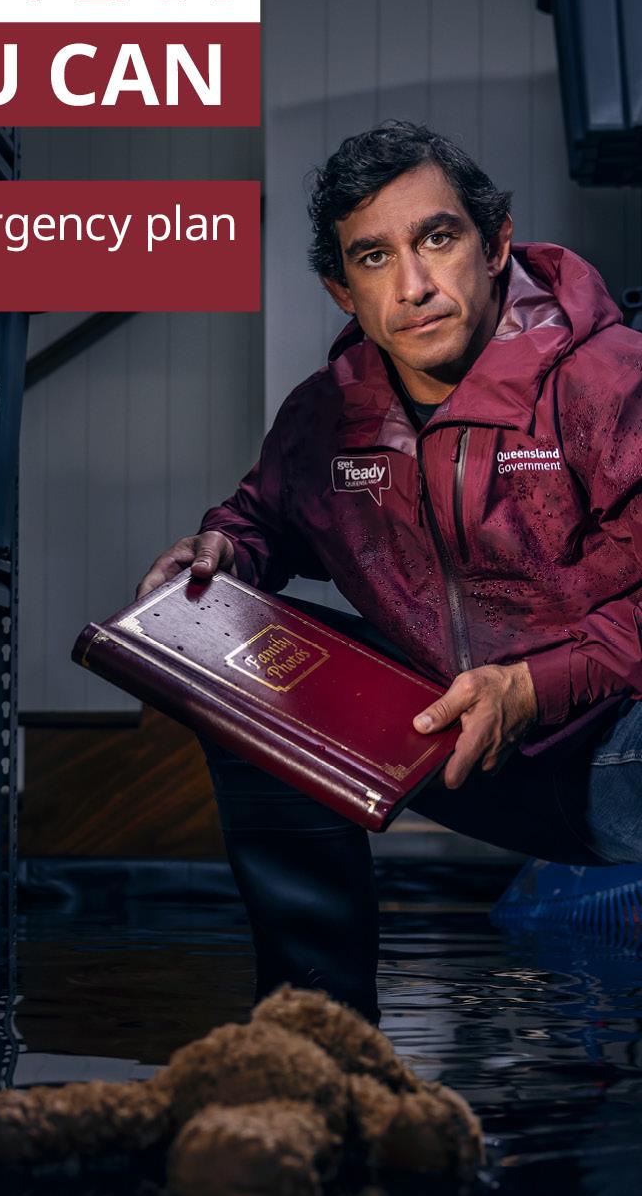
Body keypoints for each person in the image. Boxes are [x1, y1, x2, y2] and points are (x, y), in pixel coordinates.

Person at [137, 121, 642, 1021]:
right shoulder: (326, 417)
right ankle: (316, 1032)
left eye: (436, 239)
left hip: (615, 754)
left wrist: (532, 686)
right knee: (235, 661)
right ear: (343, 288)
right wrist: (218, 553)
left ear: (494, 246)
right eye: (373, 257)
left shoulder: (609, 384)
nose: (413, 286)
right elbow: (260, 520)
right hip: (458, 747)